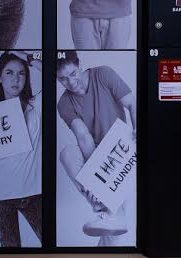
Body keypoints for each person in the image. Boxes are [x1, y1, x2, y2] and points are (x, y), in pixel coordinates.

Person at [56, 51, 136, 245]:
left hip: (123, 149)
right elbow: (83, 136)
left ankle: (107, 212)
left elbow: (132, 103)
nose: (71, 83)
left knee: (118, 229)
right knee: (67, 153)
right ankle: (106, 208)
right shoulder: (64, 103)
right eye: (63, 79)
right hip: (96, 156)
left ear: (80, 65)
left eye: (73, 74)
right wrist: (96, 180)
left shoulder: (103, 74)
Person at [0, 51, 42, 247]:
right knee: (11, 253)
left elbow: (55, 76)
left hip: (33, 194)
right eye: (9, 73)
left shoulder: (35, 106)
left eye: (21, 73)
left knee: (50, 244)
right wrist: (2, 169)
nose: (16, 79)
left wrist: (29, 59)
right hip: (0, 197)